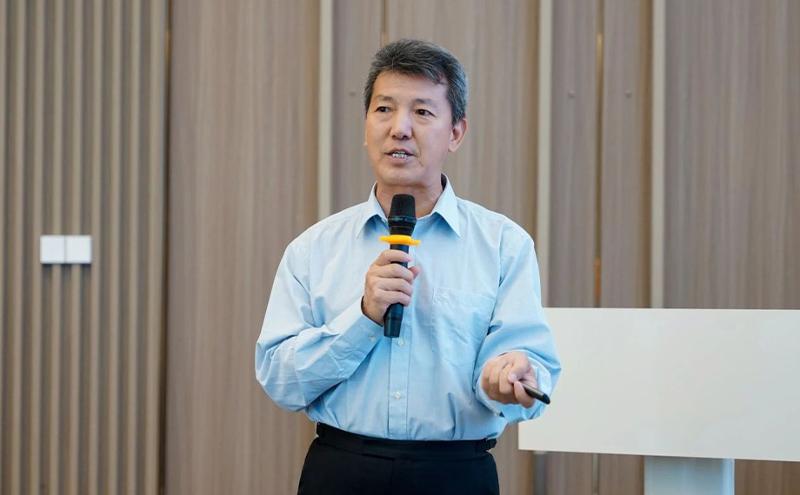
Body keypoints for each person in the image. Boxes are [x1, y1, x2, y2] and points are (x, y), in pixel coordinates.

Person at [255, 39, 560, 495]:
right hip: (341, 470)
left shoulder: (504, 245)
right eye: (384, 109)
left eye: (422, 112)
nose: (399, 128)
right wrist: (363, 317)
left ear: (456, 133)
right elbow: (280, 380)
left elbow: (530, 366)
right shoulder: (314, 248)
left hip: (456, 475)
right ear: (365, 127)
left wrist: (508, 377)